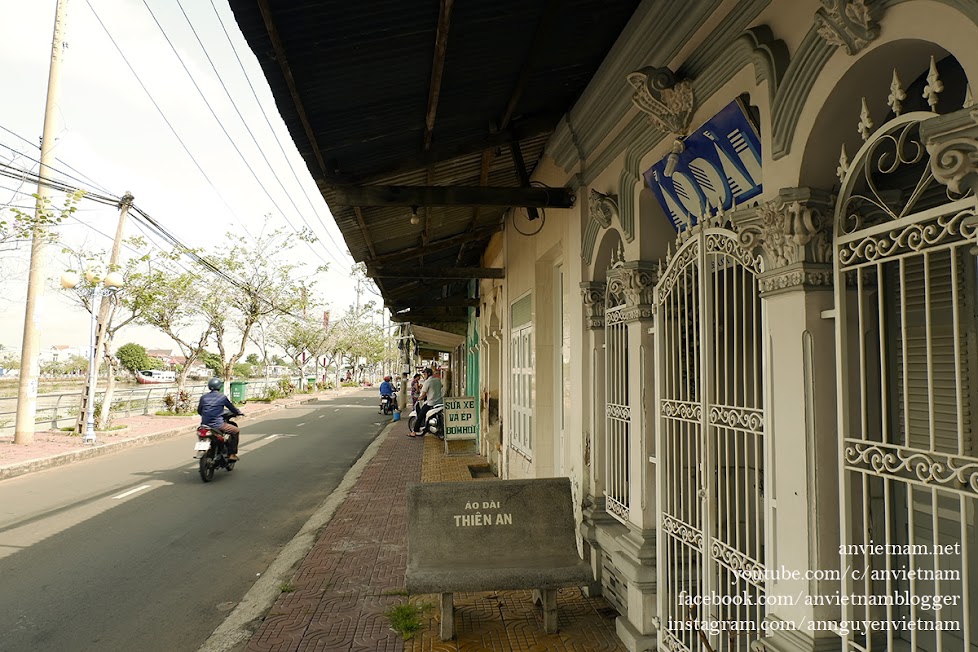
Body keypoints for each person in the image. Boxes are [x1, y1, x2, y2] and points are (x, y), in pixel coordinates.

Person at [197, 377, 244, 461]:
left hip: (204, 425)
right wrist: (238, 412)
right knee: (236, 430)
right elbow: (231, 408)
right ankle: (232, 454)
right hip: (218, 425)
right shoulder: (222, 397)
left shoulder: (203, 397)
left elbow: (200, 410)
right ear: (219, 386)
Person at [412, 367, 444, 436]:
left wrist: (419, 398)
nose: (424, 376)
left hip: (431, 403)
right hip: (440, 402)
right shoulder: (438, 380)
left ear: (428, 374)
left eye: (425, 374)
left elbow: (423, 395)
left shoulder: (427, 382)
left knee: (420, 415)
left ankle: (414, 431)